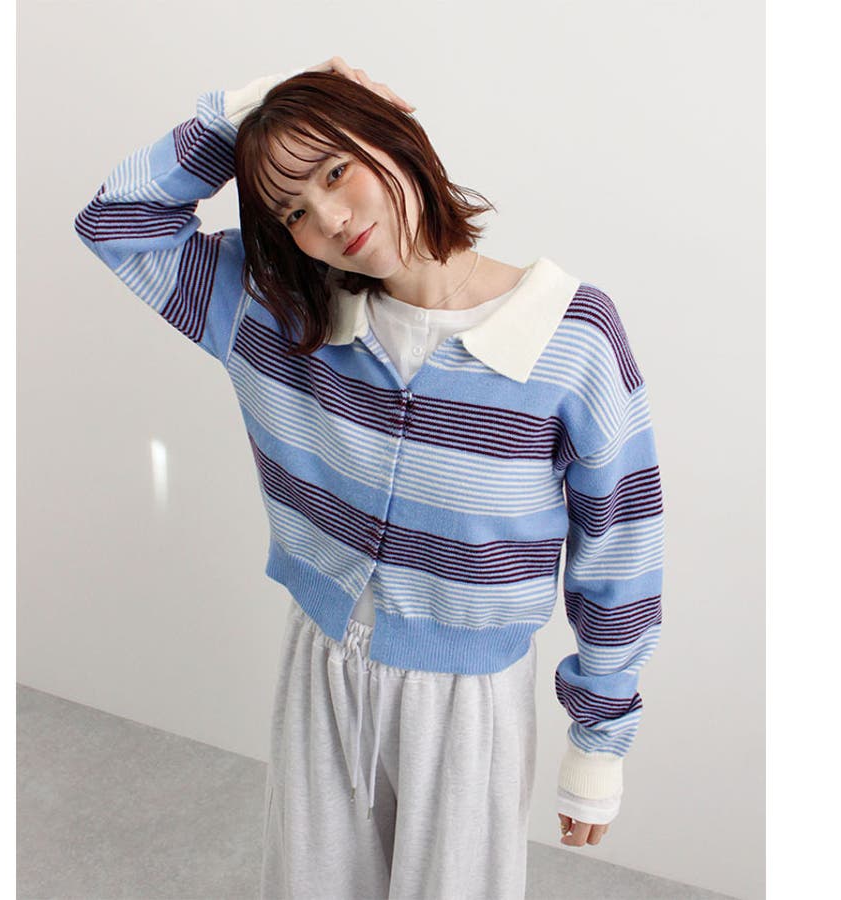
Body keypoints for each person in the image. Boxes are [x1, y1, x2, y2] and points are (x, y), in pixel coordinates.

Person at [74, 56, 664, 900]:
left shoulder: (570, 336)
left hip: (468, 701)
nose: (328, 218)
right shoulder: (279, 312)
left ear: (394, 137)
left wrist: (599, 740)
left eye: (334, 170)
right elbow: (115, 222)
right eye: (292, 210)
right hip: (319, 666)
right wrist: (251, 108)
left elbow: (622, 546)